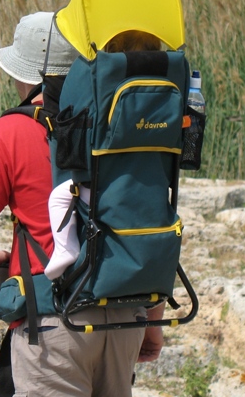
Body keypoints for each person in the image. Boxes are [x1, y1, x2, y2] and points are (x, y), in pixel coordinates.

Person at [0, 13, 165, 397]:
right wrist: (151, 322)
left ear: (29, 75)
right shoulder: (121, 126)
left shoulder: (3, 135)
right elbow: (150, 221)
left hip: (52, 324)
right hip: (124, 316)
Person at [44, 30, 162, 280]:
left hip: (105, 191)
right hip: (153, 190)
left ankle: (66, 248)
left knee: (59, 197)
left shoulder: (106, 93)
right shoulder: (161, 98)